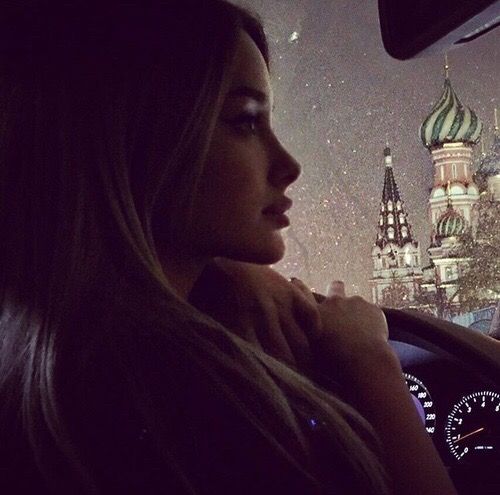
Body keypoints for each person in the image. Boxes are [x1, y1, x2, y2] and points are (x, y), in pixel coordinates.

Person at [0, 1, 457, 494]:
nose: (289, 164)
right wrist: (372, 363)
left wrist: (219, 270)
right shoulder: (187, 402)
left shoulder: (54, 350)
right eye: (245, 122)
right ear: (136, 137)